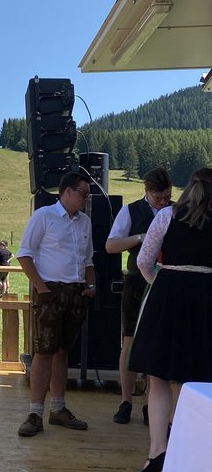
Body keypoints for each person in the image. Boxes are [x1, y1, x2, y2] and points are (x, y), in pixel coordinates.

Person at [128, 167, 212, 472]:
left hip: (167, 297)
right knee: (197, 381)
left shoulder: (166, 216)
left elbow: (143, 261)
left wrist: (161, 285)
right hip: (205, 301)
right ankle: (192, 456)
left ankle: (156, 452)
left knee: (159, 377)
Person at [16, 172, 95, 438]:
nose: (86, 199)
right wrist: (42, 289)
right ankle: (35, 413)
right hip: (51, 291)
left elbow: (88, 260)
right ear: (68, 191)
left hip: (76, 294)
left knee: (62, 352)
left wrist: (91, 287)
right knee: (43, 352)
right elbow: (24, 255)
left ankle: (58, 409)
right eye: (84, 193)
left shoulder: (85, 222)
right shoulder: (44, 216)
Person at [105, 167, 172, 424]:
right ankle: (126, 401)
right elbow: (111, 246)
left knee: (157, 343)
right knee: (130, 342)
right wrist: (139, 237)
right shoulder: (131, 211)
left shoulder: (176, 211)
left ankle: (149, 404)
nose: (163, 202)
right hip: (136, 281)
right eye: (158, 198)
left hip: (164, 283)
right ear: (146, 191)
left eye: (167, 198)